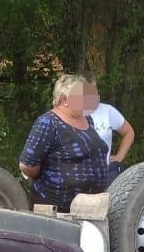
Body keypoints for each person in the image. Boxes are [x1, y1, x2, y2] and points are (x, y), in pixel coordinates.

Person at [19, 73, 110, 211]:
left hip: (91, 207)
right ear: (65, 99)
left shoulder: (87, 119)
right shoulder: (48, 122)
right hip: (57, 210)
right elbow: (27, 165)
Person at [82, 76, 135, 185]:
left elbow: (129, 132)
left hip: (105, 174)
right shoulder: (69, 114)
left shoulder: (107, 110)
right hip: (78, 175)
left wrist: (119, 156)